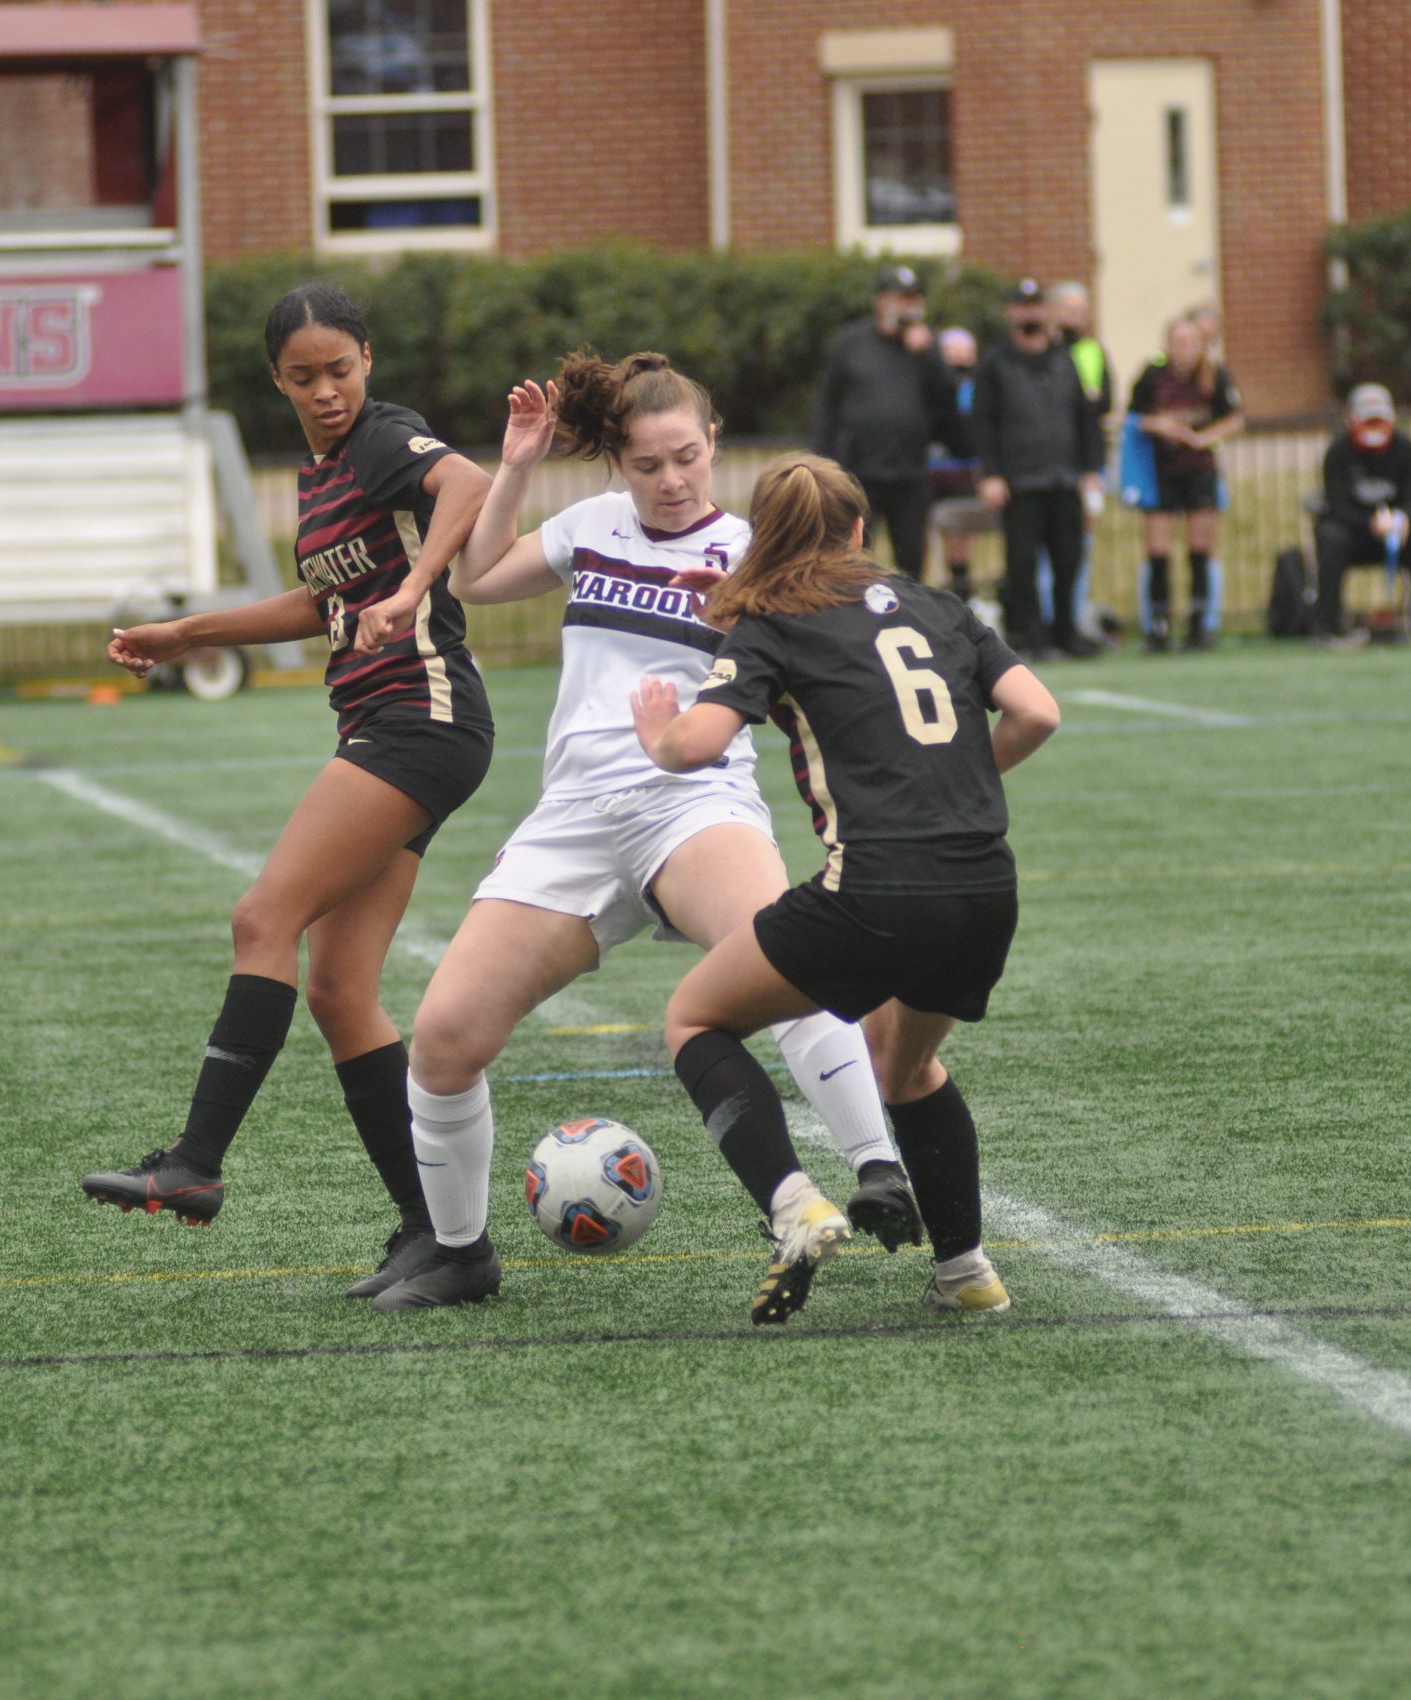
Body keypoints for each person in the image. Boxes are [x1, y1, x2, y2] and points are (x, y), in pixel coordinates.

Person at [370, 352, 923, 1312]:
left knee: (785, 965)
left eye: (686, 459)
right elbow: (481, 575)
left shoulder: (757, 552)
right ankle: (460, 1253)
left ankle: (876, 1173)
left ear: (714, 446)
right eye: (647, 465)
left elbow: (844, 659)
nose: (670, 482)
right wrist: (516, 465)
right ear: (619, 467)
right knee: (445, 1038)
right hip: (575, 817)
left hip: (695, 802)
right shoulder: (591, 525)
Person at [81, 283, 496, 1295]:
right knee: (340, 989)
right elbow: (321, 601)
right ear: (277, 378)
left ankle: (195, 1163)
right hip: (390, 725)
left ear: (367, 362)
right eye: (303, 377)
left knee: (261, 914)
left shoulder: (386, 439)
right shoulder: (320, 476)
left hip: (420, 721)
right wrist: (188, 632)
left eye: (340, 370)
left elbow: (469, 484)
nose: (324, 391)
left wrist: (411, 589)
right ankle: (444, 1237)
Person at [630, 454, 1060, 1324]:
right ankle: (967, 1271)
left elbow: (697, 744)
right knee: (906, 1066)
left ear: (767, 539)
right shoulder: (941, 607)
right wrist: (961, 782)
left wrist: (657, 732)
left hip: (877, 887)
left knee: (694, 1019)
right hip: (985, 886)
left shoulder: (768, 621)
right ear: (861, 530)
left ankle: (795, 1203)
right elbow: (1038, 712)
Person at [972, 278, 1105, 659]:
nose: (1030, 313)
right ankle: (1033, 636)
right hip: (1021, 481)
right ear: (1011, 313)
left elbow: (1085, 416)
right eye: (1022, 306)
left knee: (1069, 558)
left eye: (1036, 306)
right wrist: (992, 473)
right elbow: (983, 423)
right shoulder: (995, 363)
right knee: (1024, 562)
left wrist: (1090, 466)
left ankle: (1066, 631)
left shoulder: (1065, 358)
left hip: (1065, 477)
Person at [811, 264, 958, 586]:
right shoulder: (852, 343)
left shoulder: (924, 348)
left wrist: (929, 354)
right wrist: (824, 462)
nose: (905, 305)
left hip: (910, 473)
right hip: (859, 471)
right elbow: (827, 404)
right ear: (881, 301)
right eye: (898, 298)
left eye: (912, 299)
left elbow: (948, 400)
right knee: (852, 554)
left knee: (911, 559)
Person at [1127, 315, 1243, 651]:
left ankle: (1199, 624)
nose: (1185, 350)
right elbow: (1135, 417)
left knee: (1199, 551)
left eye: (1191, 343)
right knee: (1158, 552)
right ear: (1168, 345)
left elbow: (1234, 419)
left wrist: (1202, 438)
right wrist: (1159, 426)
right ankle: (1159, 626)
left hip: (1199, 472)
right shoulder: (1153, 376)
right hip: (1161, 474)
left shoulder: (1214, 376)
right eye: (1178, 343)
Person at [1314, 384, 1411, 644]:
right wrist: (1371, 524)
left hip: (1395, 533)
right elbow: (1336, 505)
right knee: (1330, 539)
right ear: (1352, 418)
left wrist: (1401, 520)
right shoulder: (1338, 452)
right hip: (1353, 532)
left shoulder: (1406, 449)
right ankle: (1326, 628)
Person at [1048, 281, 1114, 641]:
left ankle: (1075, 614)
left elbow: (1101, 402)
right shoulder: (1044, 351)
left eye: (1079, 310)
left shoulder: (1092, 351)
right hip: (1051, 462)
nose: (1072, 316)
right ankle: (1049, 616)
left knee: (1079, 544)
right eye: (1066, 308)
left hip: (1085, 462)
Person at [925, 326, 995, 603]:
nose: (959, 360)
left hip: (964, 470)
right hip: (932, 468)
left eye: (965, 353)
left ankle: (960, 588)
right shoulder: (932, 385)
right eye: (952, 354)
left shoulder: (977, 388)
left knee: (960, 529)